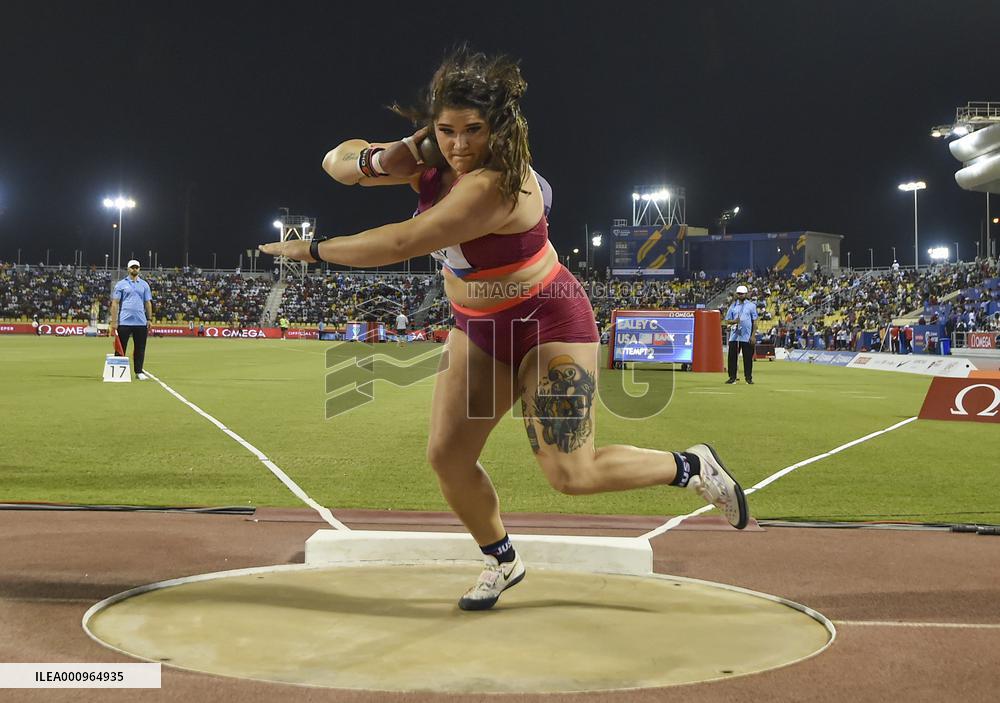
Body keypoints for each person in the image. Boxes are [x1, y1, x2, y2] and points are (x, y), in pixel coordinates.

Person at [259, 48, 749, 611]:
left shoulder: (497, 184)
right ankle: (502, 560)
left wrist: (312, 250)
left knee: (571, 473)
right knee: (447, 456)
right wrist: (382, 158)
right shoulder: (435, 156)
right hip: (479, 327)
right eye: (446, 131)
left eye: (473, 130)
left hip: (549, 322)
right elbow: (334, 161)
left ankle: (691, 466)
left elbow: (399, 243)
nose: (460, 145)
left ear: (500, 128)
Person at [109, 259, 153, 380]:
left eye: (136, 267)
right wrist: (114, 321)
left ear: (139, 269)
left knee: (140, 347)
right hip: (124, 321)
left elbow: (148, 302)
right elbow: (115, 303)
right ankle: (117, 371)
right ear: (128, 269)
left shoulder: (144, 284)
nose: (134, 269)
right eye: (132, 267)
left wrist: (149, 318)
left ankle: (139, 372)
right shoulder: (121, 284)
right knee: (120, 347)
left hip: (141, 321)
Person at [724, 285, 757, 384]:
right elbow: (726, 320)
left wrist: (753, 335)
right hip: (735, 336)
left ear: (746, 294)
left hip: (746, 337)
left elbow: (754, 322)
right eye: (738, 293)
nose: (740, 295)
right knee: (732, 358)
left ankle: (748, 378)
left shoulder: (751, 306)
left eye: (742, 294)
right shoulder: (733, 306)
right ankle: (732, 377)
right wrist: (734, 321)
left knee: (748, 358)